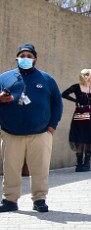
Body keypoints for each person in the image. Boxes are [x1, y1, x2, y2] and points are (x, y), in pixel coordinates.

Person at [0, 44, 63, 213]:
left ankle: (39, 199)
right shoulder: (5, 78)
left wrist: (52, 126)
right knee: (10, 168)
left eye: (29, 55)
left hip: (41, 133)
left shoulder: (46, 79)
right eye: (22, 55)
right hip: (11, 133)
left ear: (35, 59)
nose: (25, 58)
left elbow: (57, 102)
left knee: (40, 168)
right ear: (16, 58)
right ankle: (10, 200)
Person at [61, 68, 91, 172]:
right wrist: (76, 100)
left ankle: (87, 163)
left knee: (90, 136)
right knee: (79, 136)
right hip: (80, 113)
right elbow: (64, 94)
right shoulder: (77, 87)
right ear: (86, 76)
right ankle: (79, 163)